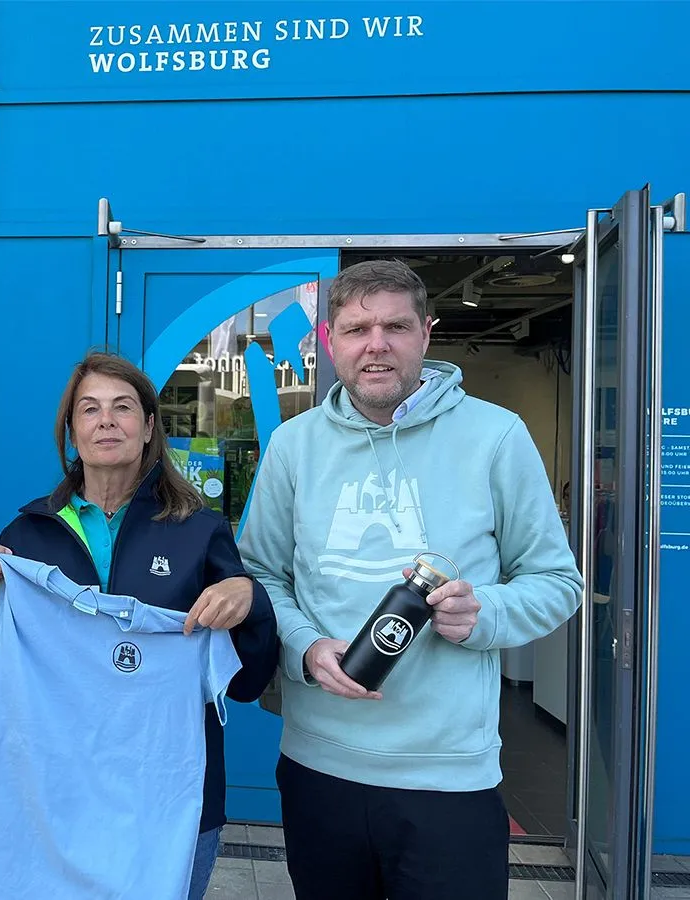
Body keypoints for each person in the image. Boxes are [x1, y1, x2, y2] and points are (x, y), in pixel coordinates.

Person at [238, 259, 582, 900]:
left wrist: (486, 615)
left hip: (449, 776)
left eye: (395, 326)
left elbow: (557, 581)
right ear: (329, 341)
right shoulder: (293, 445)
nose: (376, 344)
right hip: (318, 767)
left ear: (427, 333)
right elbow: (260, 576)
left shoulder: (496, 436)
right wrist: (306, 647)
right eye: (357, 328)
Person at [0, 352, 278, 899]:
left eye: (123, 407)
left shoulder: (197, 531)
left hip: (171, 796)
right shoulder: (27, 536)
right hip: (54, 797)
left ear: (149, 426)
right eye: (90, 409)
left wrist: (252, 602)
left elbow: (245, 683)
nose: (107, 421)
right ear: (72, 431)